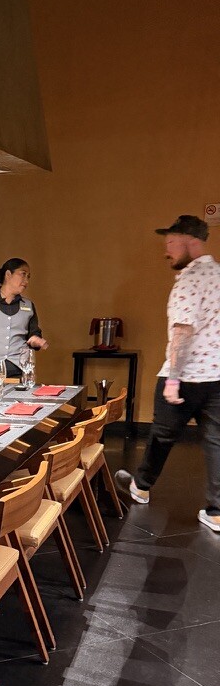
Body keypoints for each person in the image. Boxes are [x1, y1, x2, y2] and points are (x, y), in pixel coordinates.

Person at [116, 215, 220, 532]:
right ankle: (217, 512)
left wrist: (174, 378)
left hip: (186, 377)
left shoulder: (188, 281)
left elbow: (183, 332)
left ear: (191, 241)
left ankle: (141, 486)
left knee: (162, 434)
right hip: (217, 377)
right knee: (217, 443)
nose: (167, 251)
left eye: (171, 243)